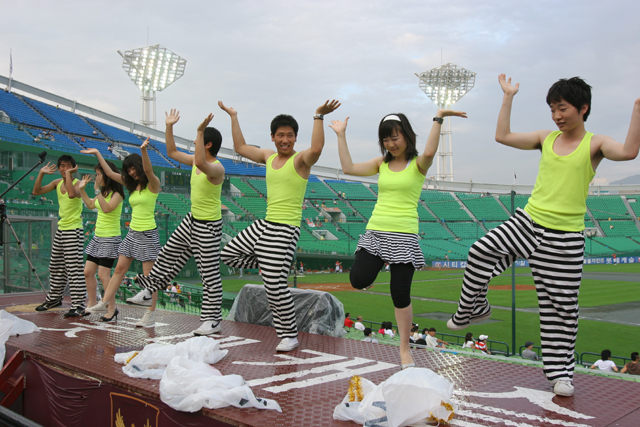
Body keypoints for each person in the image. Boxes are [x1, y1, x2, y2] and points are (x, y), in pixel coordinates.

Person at [447, 74, 640, 397]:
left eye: (562, 108)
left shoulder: (595, 144)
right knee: (480, 251)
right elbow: (502, 136)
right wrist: (508, 96)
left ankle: (561, 374)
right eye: (552, 109)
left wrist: (637, 109)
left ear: (583, 108)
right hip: (528, 221)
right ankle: (474, 308)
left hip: (565, 238)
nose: (556, 116)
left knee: (560, 309)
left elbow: (629, 152)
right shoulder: (545, 138)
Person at [329, 109, 466, 370]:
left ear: (406, 136)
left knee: (400, 294)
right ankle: (377, 266)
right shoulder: (381, 164)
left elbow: (430, 152)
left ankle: (404, 348)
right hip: (376, 231)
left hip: (404, 235)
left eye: (395, 138)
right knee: (358, 280)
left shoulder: (418, 164)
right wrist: (341, 135)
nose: (391, 144)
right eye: (386, 140)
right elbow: (348, 168)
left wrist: (438, 118)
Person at [218, 99, 340, 352]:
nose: (285, 140)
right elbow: (240, 147)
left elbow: (317, 148)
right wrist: (233, 116)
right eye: (281, 135)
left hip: (285, 229)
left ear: (295, 138)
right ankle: (268, 263)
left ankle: (289, 335)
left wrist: (319, 116)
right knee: (228, 254)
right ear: (272, 137)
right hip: (265, 225)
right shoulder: (268, 156)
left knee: (274, 286)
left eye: (290, 135)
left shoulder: (300, 161)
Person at [133, 111, 226, 335]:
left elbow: (202, 163)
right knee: (167, 253)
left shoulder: (217, 168)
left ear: (207, 144)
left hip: (209, 226)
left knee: (209, 274)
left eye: (198, 140)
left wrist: (200, 130)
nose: (194, 142)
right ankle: (149, 291)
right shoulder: (196, 160)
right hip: (192, 219)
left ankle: (213, 320)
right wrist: (169, 126)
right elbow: (172, 152)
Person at [83, 139, 161, 325]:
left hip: (147, 234)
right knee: (118, 269)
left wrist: (143, 151)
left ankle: (150, 314)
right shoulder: (131, 186)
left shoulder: (153, 184)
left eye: (133, 168)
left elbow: (148, 170)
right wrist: (98, 154)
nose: (132, 172)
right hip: (132, 233)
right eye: (129, 170)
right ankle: (104, 303)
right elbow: (110, 173)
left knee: (149, 278)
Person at [32, 155, 87, 317]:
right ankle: (54, 299)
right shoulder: (57, 183)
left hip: (73, 230)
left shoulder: (79, 184)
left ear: (74, 168)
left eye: (68, 166)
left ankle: (78, 305)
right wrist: (41, 173)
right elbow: (36, 192)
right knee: (55, 266)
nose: (65, 169)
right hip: (61, 228)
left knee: (74, 268)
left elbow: (71, 194)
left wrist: (69, 174)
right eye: (62, 166)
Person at [77, 160, 124, 314]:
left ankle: (111, 307)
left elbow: (107, 208)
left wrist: (97, 190)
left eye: (98, 174)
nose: (96, 177)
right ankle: (92, 302)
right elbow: (91, 205)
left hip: (110, 238)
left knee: (104, 275)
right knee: (88, 272)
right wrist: (82, 190)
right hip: (98, 237)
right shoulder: (102, 193)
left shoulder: (117, 194)